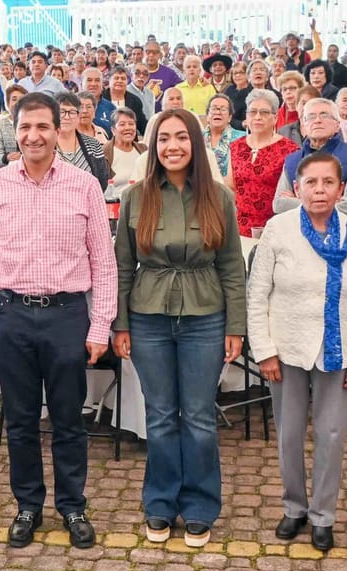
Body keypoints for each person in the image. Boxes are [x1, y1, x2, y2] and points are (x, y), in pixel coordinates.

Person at [0, 92, 117, 550]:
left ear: (58, 130)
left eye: (43, 127)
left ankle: (73, 506)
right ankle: (27, 505)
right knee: (21, 422)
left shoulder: (84, 185)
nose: (34, 136)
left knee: (69, 420)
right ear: (15, 130)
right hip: (9, 316)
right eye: (25, 127)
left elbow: (103, 263)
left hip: (66, 316)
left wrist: (100, 325)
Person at [112, 108, 245, 547]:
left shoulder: (218, 198)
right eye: (164, 137)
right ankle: (160, 503)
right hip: (148, 317)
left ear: (196, 144)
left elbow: (231, 267)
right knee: (162, 416)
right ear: (154, 145)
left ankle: (200, 506)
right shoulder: (136, 197)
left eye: (182, 137)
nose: (173, 146)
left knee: (201, 417)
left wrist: (235, 327)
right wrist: (121, 324)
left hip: (205, 317)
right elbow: (123, 267)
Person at [248, 153, 347, 552]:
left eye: (328, 183)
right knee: (289, 433)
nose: (320, 190)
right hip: (287, 349)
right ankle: (293, 508)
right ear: (297, 188)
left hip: (339, 349)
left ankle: (323, 515)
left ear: (341, 190)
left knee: (332, 434)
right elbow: (258, 295)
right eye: (311, 182)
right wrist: (265, 350)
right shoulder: (278, 229)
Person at [275, 98, 347, 216]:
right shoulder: (293, 160)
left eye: (324, 115)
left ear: (337, 125)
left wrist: (297, 201)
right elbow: (278, 204)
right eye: (311, 117)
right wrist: (329, 203)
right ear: (304, 125)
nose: (317, 120)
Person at [226, 89, 298, 236]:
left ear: (275, 118)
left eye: (264, 112)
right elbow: (230, 186)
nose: (257, 117)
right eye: (252, 112)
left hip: (276, 228)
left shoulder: (290, 150)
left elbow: (294, 192)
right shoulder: (236, 146)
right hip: (239, 228)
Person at [54, 92, 109, 190]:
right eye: (61, 112)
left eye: (72, 112)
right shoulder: (45, 145)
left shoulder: (93, 145)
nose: (67, 117)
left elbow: (102, 182)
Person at [103, 107, 146, 192]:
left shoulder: (144, 150)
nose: (128, 128)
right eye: (122, 124)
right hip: (115, 203)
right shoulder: (104, 153)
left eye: (131, 124)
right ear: (113, 130)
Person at [203, 94, 246, 179]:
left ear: (230, 117)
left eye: (223, 109)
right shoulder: (196, 137)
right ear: (207, 116)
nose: (218, 112)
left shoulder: (242, 138)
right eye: (214, 108)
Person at [231, 59, 279, 131]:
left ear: (267, 77)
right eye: (254, 70)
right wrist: (242, 124)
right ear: (249, 77)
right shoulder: (242, 94)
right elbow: (232, 119)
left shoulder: (276, 95)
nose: (258, 72)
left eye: (262, 69)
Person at [102, 66, 147, 135]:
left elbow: (142, 124)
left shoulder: (135, 101)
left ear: (127, 81)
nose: (119, 81)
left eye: (123, 79)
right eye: (116, 78)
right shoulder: (101, 98)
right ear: (109, 80)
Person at [0, 85, 26, 168]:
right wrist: (6, 158)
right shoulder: (0, 126)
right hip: (6, 171)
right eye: (14, 99)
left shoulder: (34, 123)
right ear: (8, 103)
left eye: (21, 100)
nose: (18, 102)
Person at [143, 40, 182, 112]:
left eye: (155, 52)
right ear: (144, 53)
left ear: (160, 55)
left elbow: (183, 87)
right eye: (148, 52)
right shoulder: (135, 73)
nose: (151, 55)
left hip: (164, 116)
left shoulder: (169, 73)